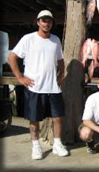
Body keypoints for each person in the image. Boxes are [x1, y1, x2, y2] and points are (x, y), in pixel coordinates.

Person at [7, 10, 68, 160]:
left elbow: (60, 60)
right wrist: (20, 77)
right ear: (38, 22)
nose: (47, 23)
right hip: (34, 87)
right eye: (44, 20)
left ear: (52, 23)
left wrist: (61, 75)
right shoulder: (28, 39)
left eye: (49, 21)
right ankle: (35, 146)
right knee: (34, 120)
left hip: (53, 87)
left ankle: (57, 144)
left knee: (58, 117)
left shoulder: (56, 40)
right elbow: (12, 57)